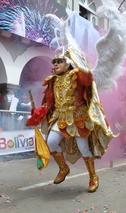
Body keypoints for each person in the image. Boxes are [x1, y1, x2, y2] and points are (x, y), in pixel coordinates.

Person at [26, 50, 115, 193]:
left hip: (78, 117)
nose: (55, 65)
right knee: (51, 142)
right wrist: (38, 113)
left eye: (59, 62)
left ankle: (93, 177)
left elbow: (88, 81)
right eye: (53, 62)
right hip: (60, 117)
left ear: (68, 63)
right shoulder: (52, 80)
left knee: (83, 147)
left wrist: (82, 65)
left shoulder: (77, 75)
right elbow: (49, 102)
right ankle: (63, 168)